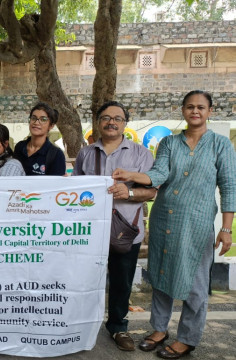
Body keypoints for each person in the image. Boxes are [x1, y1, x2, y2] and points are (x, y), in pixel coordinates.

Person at [113, 90, 236, 359]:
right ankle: (159, 329)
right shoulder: (169, 143)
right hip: (164, 218)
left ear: (209, 111)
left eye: (201, 107)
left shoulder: (221, 145)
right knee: (160, 275)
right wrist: (131, 175)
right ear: (182, 110)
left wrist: (226, 229)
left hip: (197, 223)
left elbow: (229, 187)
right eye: (190, 107)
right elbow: (159, 174)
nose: (195, 111)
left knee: (195, 281)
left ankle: (188, 338)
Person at [73, 101, 156, 351]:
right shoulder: (86, 153)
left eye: (117, 118)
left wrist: (128, 193)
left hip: (125, 231)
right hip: (90, 231)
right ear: (98, 122)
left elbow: (151, 191)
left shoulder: (141, 154)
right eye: (106, 118)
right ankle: (81, 325)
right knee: (85, 281)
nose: (112, 122)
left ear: (124, 124)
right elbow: (76, 189)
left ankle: (118, 327)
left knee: (122, 281)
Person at [14, 102, 66, 176]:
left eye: (43, 119)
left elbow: (56, 186)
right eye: (33, 118)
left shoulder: (56, 154)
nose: (36, 122)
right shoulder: (20, 147)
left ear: (51, 126)